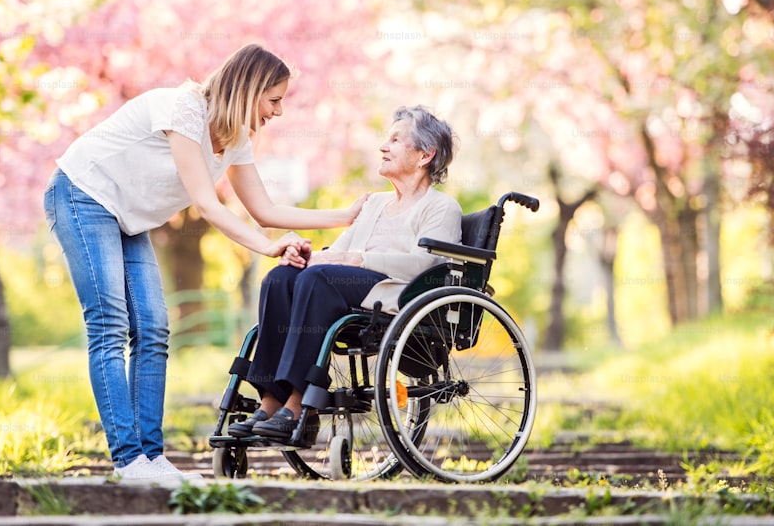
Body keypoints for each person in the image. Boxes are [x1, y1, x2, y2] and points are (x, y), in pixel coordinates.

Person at [43, 44, 366, 482]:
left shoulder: (236, 140)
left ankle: (152, 459)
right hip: (83, 194)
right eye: (274, 99)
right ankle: (128, 460)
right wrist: (268, 248)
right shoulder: (184, 110)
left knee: (154, 329)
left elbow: (265, 211)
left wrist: (344, 216)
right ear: (248, 89)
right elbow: (207, 205)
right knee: (110, 324)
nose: (279, 111)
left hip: (129, 219)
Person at [227, 106, 461, 441]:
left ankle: (297, 405)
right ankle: (270, 400)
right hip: (350, 287)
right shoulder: (373, 205)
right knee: (282, 277)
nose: (383, 146)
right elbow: (338, 252)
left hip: (395, 294)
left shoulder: (441, 207)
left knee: (317, 280)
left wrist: (358, 259)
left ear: (425, 155)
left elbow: (425, 265)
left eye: (395, 139)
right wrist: (307, 257)